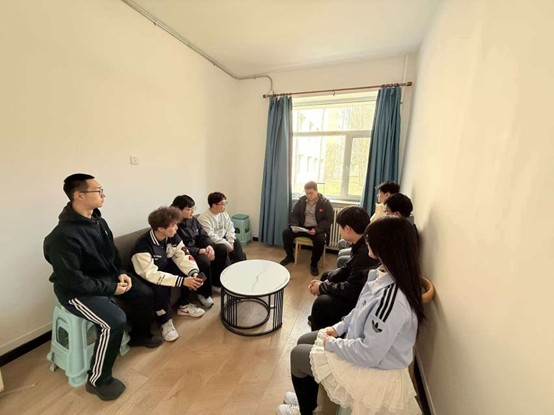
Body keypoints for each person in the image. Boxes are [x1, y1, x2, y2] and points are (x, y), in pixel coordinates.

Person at [277, 216, 425, 415]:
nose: (367, 241)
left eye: (370, 239)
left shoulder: (392, 300)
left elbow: (369, 353)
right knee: (304, 340)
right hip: (359, 342)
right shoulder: (382, 273)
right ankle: (308, 399)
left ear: (385, 247)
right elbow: (359, 309)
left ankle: (306, 411)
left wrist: (332, 344)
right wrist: (338, 328)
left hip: (373, 368)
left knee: (297, 355)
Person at [44, 174, 162, 402]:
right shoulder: (61, 237)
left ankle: (140, 336)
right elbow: (74, 282)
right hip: (76, 292)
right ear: (79, 195)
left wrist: (121, 273)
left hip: (106, 280)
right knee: (114, 321)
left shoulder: (99, 222)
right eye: (98, 191)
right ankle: (98, 380)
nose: (104, 195)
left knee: (144, 292)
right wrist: (111, 288)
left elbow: (112, 255)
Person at [131, 206, 206, 342]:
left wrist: (194, 273)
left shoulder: (172, 236)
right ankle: (165, 322)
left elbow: (183, 255)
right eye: (173, 225)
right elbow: (150, 273)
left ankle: (184, 306)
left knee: (189, 275)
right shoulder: (142, 246)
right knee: (160, 287)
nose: (176, 228)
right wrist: (181, 281)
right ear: (160, 228)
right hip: (145, 275)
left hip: (163, 266)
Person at [307, 207, 378, 331]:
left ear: (348, 229)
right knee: (326, 275)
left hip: (359, 299)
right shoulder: (361, 242)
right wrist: (327, 282)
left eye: (340, 227)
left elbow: (352, 289)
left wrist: (323, 287)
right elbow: (348, 267)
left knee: (321, 303)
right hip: (356, 288)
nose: (340, 230)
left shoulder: (365, 253)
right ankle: (321, 318)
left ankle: (320, 332)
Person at [336, 181, 400, 267]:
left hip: (370, 245)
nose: (377, 195)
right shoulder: (381, 208)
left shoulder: (387, 214)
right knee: (342, 245)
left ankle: (349, 266)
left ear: (387, 194)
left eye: (379, 193)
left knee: (342, 258)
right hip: (366, 240)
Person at [280, 181, 334, 276]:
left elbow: (328, 220)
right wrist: (295, 225)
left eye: (311, 193)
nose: (309, 196)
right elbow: (294, 215)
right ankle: (290, 256)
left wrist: (317, 229)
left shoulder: (325, 203)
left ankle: (314, 263)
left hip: (316, 229)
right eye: (307, 193)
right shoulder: (301, 201)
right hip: (302, 227)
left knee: (320, 240)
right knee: (286, 233)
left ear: (316, 191)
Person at [171, 194, 218, 305]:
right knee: (204, 260)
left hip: (199, 248)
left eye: (193, 208)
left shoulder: (193, 220)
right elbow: (179, 248)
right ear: (178, 210)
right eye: (188, 209)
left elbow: (203, 235)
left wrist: (209, 246)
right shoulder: (173, 225)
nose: (192, 211)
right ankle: (203, 293)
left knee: (220, 248)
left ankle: (216, 283)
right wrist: (200, 251)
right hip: (185, 253)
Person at [197, 192, 247, 271]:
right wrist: (226, 243)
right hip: (212, 243)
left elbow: (230, 227)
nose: (224, 206)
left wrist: (231, 241)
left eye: (225, 203)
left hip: (223, 238)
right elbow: (211, 236)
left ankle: (242, 266)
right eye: (222, 204)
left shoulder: (223, 214)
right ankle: (228, 271)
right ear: (214, 205)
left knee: (236, 241)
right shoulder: (203, 218)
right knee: (223, 247)